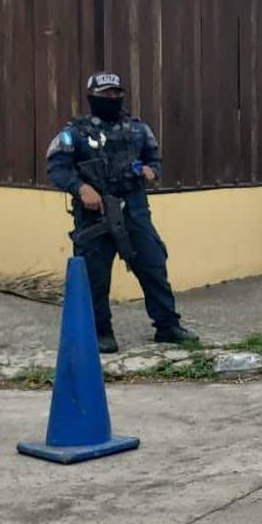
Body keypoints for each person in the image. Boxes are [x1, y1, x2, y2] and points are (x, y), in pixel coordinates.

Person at [46, 72, 198, 354]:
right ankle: (101, 331)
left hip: (134, 209)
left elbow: (154, 159)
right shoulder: (74, 132)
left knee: (153, 264)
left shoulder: (139, 130)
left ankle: (167, 326)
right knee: (94, 275)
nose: (112, 99)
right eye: (105, 95)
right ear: (92, 97)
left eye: (116, 94)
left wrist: (152, 171)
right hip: (94, 214)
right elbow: (57, 167)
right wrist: (80, 188)